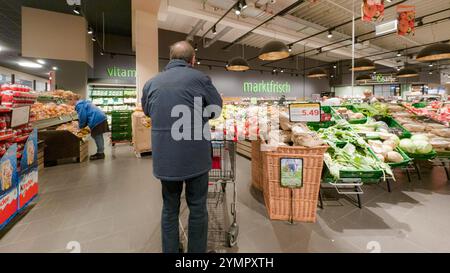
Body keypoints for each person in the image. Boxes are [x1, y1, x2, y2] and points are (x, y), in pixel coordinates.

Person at [141, 41, 223, 253]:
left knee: (169, 208)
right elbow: (215, 109)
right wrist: (197, 115)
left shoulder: (151, 83)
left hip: (165, 157)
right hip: (195, 155)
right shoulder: (201, 79)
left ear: (170, 58)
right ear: (192, 60)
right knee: (197, 207)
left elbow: (149, 111)